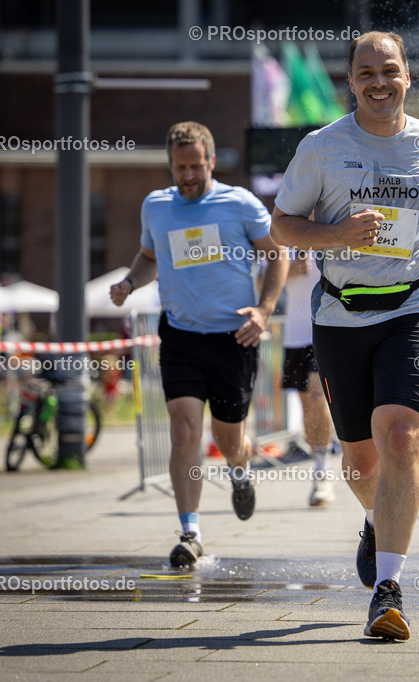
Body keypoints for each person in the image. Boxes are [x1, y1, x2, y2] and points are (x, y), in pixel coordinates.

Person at [271, 31, 419, 641]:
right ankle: (375, 524)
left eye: (389, 70)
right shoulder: (322, 147)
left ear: (407, 76)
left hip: (417, 305)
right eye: (366, 73)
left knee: (400, 435)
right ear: (351, 81)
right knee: (361, 463)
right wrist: (337, 237)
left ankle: (389, 589)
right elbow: (282, 227)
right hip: (341, 315)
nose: (379, 82)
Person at [110, 121, 289, 569]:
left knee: (229, 439)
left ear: (211, 161)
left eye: (195, 166)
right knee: (183, 428)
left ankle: (240, 471)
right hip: (181, 335)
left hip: (234, 337)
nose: (187, 175)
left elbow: (278, 253)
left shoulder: (239, 203)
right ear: (170, 165)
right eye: (179, 167)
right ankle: (190, 532)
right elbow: (150, 258)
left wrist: (264, 311)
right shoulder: (157, 206)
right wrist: (131, 281)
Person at [282, 249, 340, 507]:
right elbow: (260, 284)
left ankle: (323, 474)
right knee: (308, 408)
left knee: (318, 398)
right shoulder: (283, 239)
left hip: (328, 330)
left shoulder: (334, 229)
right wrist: (287, 271)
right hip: (295, 336)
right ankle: (319, 466)